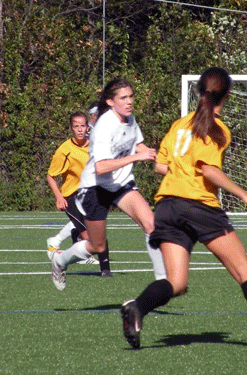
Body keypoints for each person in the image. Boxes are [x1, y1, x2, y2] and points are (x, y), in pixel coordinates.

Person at [120, 67, 247, 350]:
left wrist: (181, 168)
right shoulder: (217, 129)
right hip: (199, 206)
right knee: (244, 271)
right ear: (227, 94)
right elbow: (207, 170)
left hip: (167, 206)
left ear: (198, 92)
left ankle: (137, 309)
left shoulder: (179, 125)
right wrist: (246, 196)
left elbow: (159, 166)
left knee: (176, 283)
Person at [49, 78, 166, 290]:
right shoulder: (104, 125)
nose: (129, 101)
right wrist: (135, 158)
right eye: (123, 98)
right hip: (94, 188)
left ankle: (162, 285)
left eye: (131, 96)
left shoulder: (130, 120)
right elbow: (101, 167)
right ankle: (60, 260)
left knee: (151, 224)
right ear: (111, 102)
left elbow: (140, 147)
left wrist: (166, 163)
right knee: (97, 245)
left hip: (120, 184)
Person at [45, 112, 102, 269]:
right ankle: (60, 257)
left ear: (87, 127)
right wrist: (59, 197)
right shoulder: (65, 149)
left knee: (94, 237)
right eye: (76, 126)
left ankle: (60, 243)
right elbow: (50, 176)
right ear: (71, 128)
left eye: (82, 126)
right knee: (92, 241)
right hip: (72, 196)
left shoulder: (93, 145)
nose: (79, 129)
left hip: (89, 195)